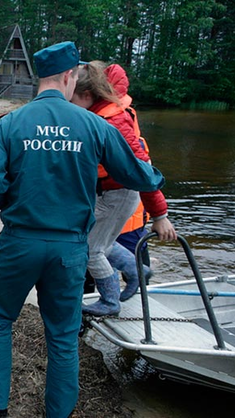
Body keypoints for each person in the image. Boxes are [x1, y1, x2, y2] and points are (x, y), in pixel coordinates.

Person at [0, 41, 166, 418]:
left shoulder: (11, 123)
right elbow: (136, 173)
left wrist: (22, 191)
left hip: (19, 242)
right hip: (69, 248)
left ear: (40, 77)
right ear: (69, 76)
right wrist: (158, 181)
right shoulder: (94, 124)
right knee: (62, 335)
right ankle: (57, 412)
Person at [71, 61, 176, 310]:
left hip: (117, 195)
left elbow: (143, 171)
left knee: (88, 249)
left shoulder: (114, 122)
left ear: (87, 95)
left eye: (71, 100)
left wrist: (160, 215)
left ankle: (110, 300)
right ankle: (138, 270)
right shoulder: (98, 112)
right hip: (109, 193)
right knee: (100, 240)